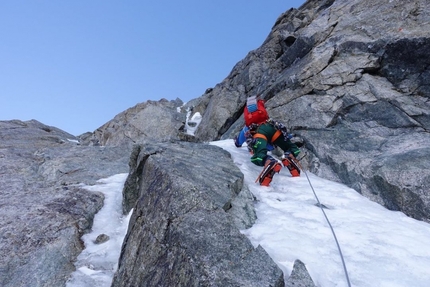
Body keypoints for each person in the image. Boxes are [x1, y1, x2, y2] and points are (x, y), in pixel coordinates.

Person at [236, 95, 301, 186]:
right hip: (272, 128)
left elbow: (238, 143)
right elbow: (286, 137)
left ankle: (269, 162)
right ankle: (289, 155)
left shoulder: (247, 128)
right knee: (291, 147)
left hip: (260, 133)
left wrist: (238, 143)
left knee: (258, 156)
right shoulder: (268, 120)